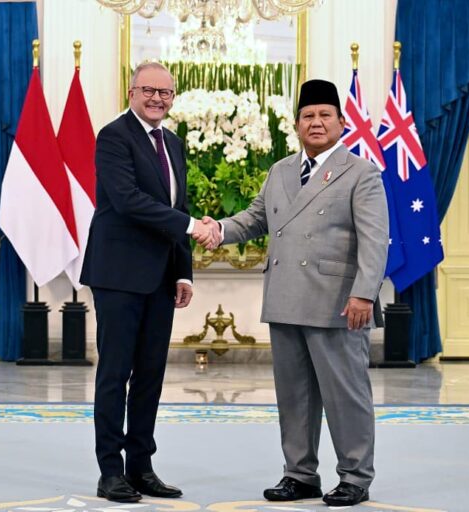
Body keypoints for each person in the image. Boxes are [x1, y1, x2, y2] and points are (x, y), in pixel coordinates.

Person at [199, 79, 388, 506]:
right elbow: (253, 218)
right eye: (308, 116)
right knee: (294, 397)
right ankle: (300, 475)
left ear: (341, 122)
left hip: (338, 302)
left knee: (346, 396)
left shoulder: (362, 173)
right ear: (296, 124)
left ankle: (355, 476)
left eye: (325, 115)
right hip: (285, 299)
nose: (316, 122)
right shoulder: (280, 171)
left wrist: (363, 293)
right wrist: (216, 230)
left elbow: (375, 240)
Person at [80, 61, 218, 503]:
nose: (158, 98)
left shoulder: (173, 143)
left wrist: (183, 271)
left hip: (160, 278)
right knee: (115, 373)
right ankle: (110, 472)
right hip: (119, 275)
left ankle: (141, 467)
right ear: (131, 91)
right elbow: (129, 201)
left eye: (166, 92)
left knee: (151, 376)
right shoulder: (113, 137)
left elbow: (177, 205)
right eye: (149, 90)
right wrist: (194, 225)